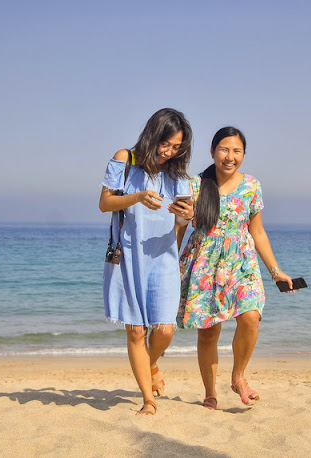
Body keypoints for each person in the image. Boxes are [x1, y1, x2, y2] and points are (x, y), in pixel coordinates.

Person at [177, 127, 296, 410]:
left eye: (237, 151)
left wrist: (276, 271)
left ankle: (238, 377)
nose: (230, 157)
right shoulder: (195, 185)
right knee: (208, 332)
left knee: (251, 316)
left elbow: (258, 233)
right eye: (224, 150)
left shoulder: (252, 186)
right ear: (212, 151)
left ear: (243, 154)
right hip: (205, 263)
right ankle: (210, 392)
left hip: (242, 263)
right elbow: (179, 230)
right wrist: (169, 263)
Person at [99, 108, 194, 416]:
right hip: (129, 255)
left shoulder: (178, 175)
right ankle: (148, 402)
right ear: (153, 135)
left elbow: (181, 222)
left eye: (176, 147)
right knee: (136, 332)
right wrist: (137, 197)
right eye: (165, 144)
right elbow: (105, 203)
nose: (169, 152)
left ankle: (151, 364)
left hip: (164, 255)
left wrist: (187, 215)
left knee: (164, 330)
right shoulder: (125, 159)